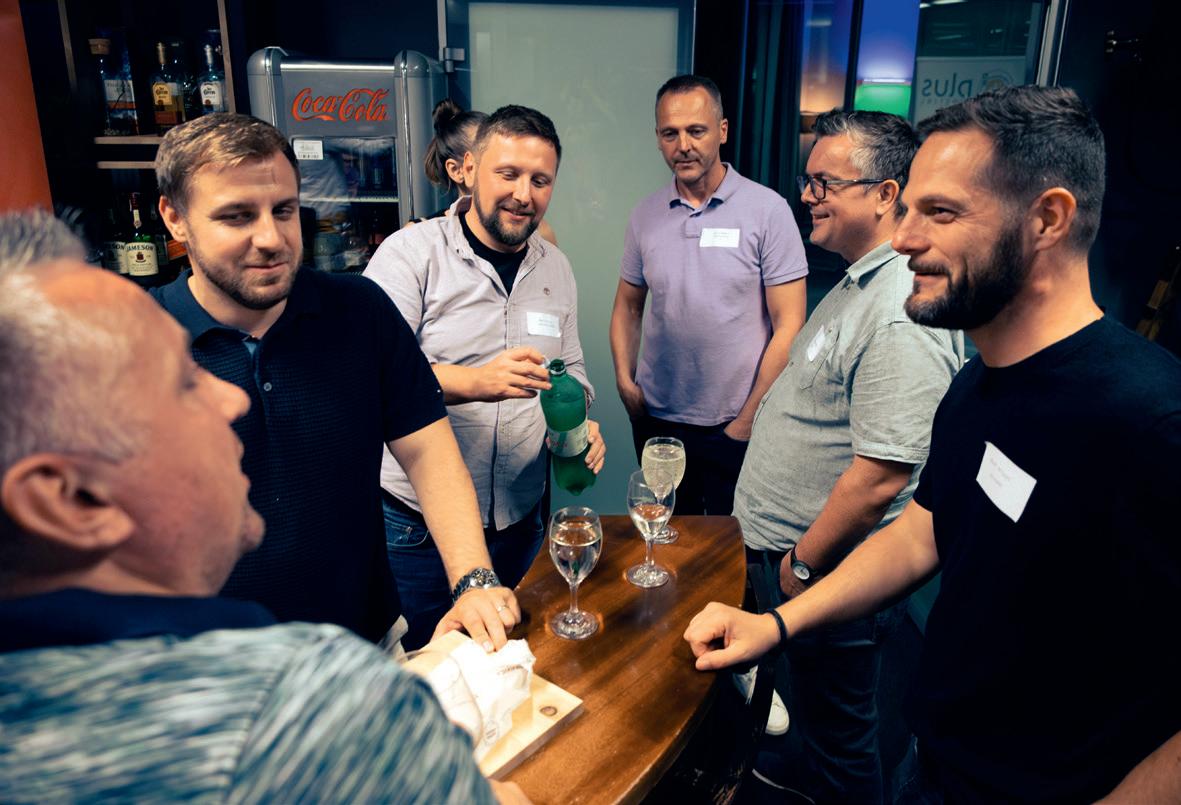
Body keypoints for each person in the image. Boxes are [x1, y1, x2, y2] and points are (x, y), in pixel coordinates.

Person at [685, 85, 1181, 804]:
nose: (903, 238)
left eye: (941, 213)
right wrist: (777, 625)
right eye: (909, 208)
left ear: (1046, 219)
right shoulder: (977, 385)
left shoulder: (1150, 420)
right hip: (936, 763)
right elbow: (922, 533)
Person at [0, 210, 524, 804]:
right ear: (69, 500)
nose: (230, 401)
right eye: (181, 383)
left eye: (285, 208)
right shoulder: (296, 706)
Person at [150, 113, 519, 651]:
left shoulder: (360, 310)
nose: (270, 238)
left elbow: (429, 453)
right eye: (236, 216)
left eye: (284, 210)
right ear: (175, 218)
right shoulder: (128, 344)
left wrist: (473, 579)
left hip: (365, 646)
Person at [734, 110, 963, 802]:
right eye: (808, 180)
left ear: (886, 194)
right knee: (815, 713)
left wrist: (802, 563)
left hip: (828, 570)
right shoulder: (858, 279)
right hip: (798, 560)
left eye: (825, 183)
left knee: (843, 742)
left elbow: (882, 476)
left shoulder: (896, 308)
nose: (807, 195)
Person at [364, 104, 606, 649]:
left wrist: (578, 425)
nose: (524, 194)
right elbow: (368, 377)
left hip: (521, 523)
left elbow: (572, 371)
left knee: (514, 668)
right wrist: (475, 382)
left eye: (540, 180)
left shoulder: (555, 267)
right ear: (470, 170)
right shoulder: (410, 255)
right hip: (417, 531)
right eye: (509, 174)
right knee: (428, 671)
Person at [610, 74, 808, 515]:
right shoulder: (645, 215)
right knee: (663, 536)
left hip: (734, 422)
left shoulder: (768, 211)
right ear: (658, 138)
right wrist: (624, 380)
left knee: (727, 545)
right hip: (658, 421)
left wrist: (746, 420)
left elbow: (790, 324)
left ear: (722, 131)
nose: (683, 145)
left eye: (696, 131)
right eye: (670, 133)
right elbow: (628, 305)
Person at [413, 98, 558, 246]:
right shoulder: (418, 240)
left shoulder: (539, 235)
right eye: (508, 174)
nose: (523, 196)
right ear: (462, 169)